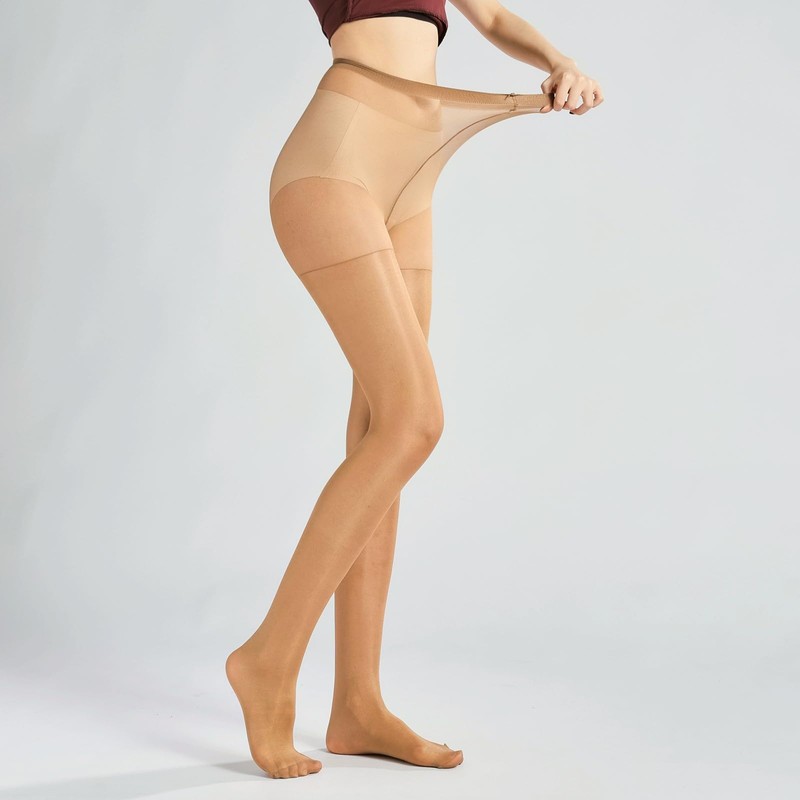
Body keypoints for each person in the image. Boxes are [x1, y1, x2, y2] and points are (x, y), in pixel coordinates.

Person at [225, 0, 604, 780]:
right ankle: (268, 659)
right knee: (414, 421)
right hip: (335, 162)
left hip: (413, 177)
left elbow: (489, 15)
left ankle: (357, 705)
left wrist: (558, 61)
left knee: (382, 436)